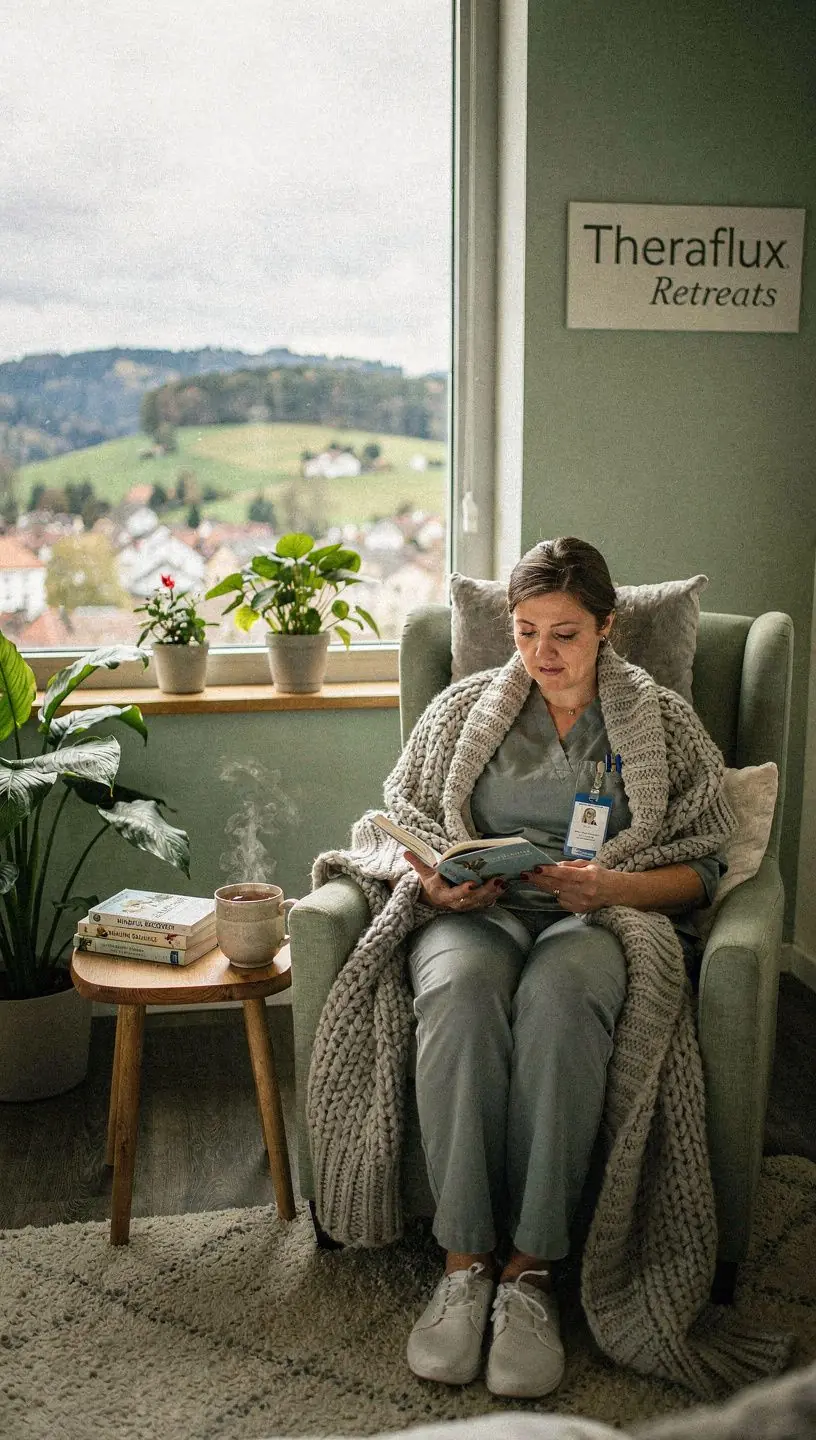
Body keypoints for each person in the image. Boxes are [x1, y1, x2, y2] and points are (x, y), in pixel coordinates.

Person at [306, 539, 790, 1402]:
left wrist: (614, 884)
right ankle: (463, 1265)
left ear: (608, 628)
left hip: (599, 918)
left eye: (565, 633)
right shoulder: (460, 712)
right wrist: (437, 881)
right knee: (456, 993)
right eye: (525, 631)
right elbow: (393, 820)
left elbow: (710, 865)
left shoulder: (663, 723)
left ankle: (529, 1273)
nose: (542, 653)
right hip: (479, 916)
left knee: (564, 1003)